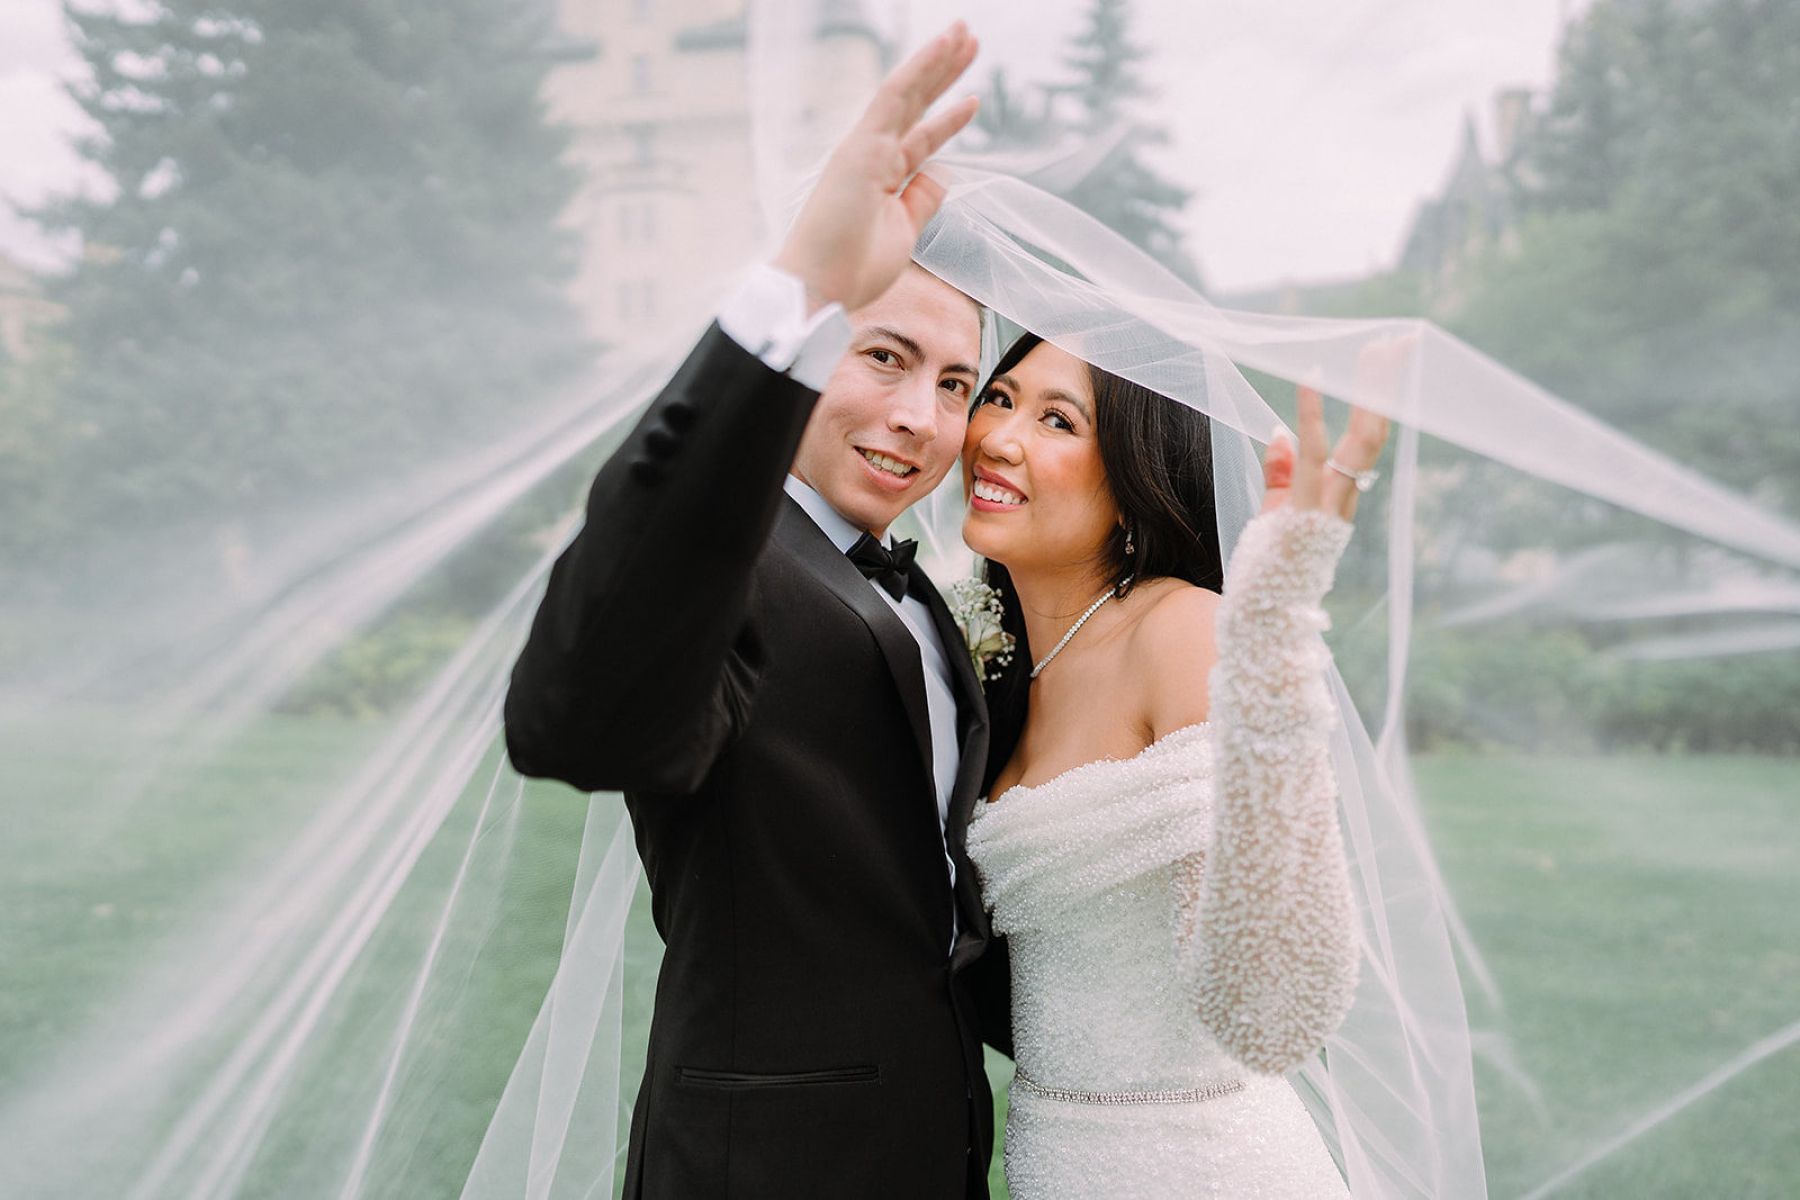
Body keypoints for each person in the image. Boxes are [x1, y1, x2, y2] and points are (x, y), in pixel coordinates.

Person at [503, 23, 1011, 1199]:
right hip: (761, 1167)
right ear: (814, 349)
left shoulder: (921, 595)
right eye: (881, 356)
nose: (921, 420)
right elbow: (573, 720)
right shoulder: (729, 564)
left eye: (953, 385)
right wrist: (795, 288)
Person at [961, 332, 1389, 1196]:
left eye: (1056, 420)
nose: (999, 438)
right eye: (1000, 398)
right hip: (1056, 1155)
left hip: (1203, 1163)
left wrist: (1272, 629)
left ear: (1133, 476)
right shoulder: (996, 660)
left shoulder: (1179, 631)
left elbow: (1267, 1008)